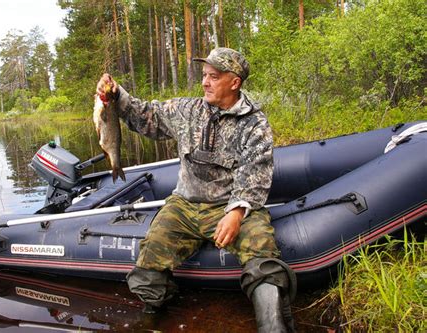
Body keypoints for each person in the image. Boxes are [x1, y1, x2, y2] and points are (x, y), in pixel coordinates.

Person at [96, 47, 296, 332]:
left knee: (262, 252)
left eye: (213, 77)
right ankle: (155, 316)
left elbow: (256, 176)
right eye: (204, 75)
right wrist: (116, 95)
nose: (204, 82)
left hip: (231, 205)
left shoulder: (255, 124)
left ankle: (273, 326)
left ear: (234, 82)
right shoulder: (188, 111)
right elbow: (145, 115)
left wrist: (237, 212)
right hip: (185, 205)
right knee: (149, 258)